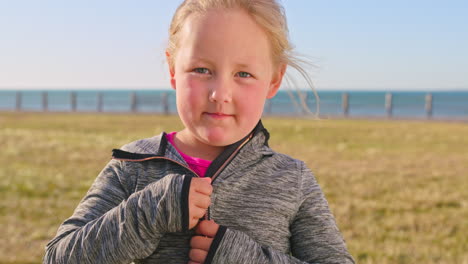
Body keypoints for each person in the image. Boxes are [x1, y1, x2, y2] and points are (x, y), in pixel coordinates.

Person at [44, 0, 354, 263]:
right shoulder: (134, 166)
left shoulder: (292, 178)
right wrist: (150, 210)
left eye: (243, 74)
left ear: (273, 80)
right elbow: (59, 256)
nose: (220, 93)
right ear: (172, 70)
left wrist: (245, 256)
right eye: (201, 70)